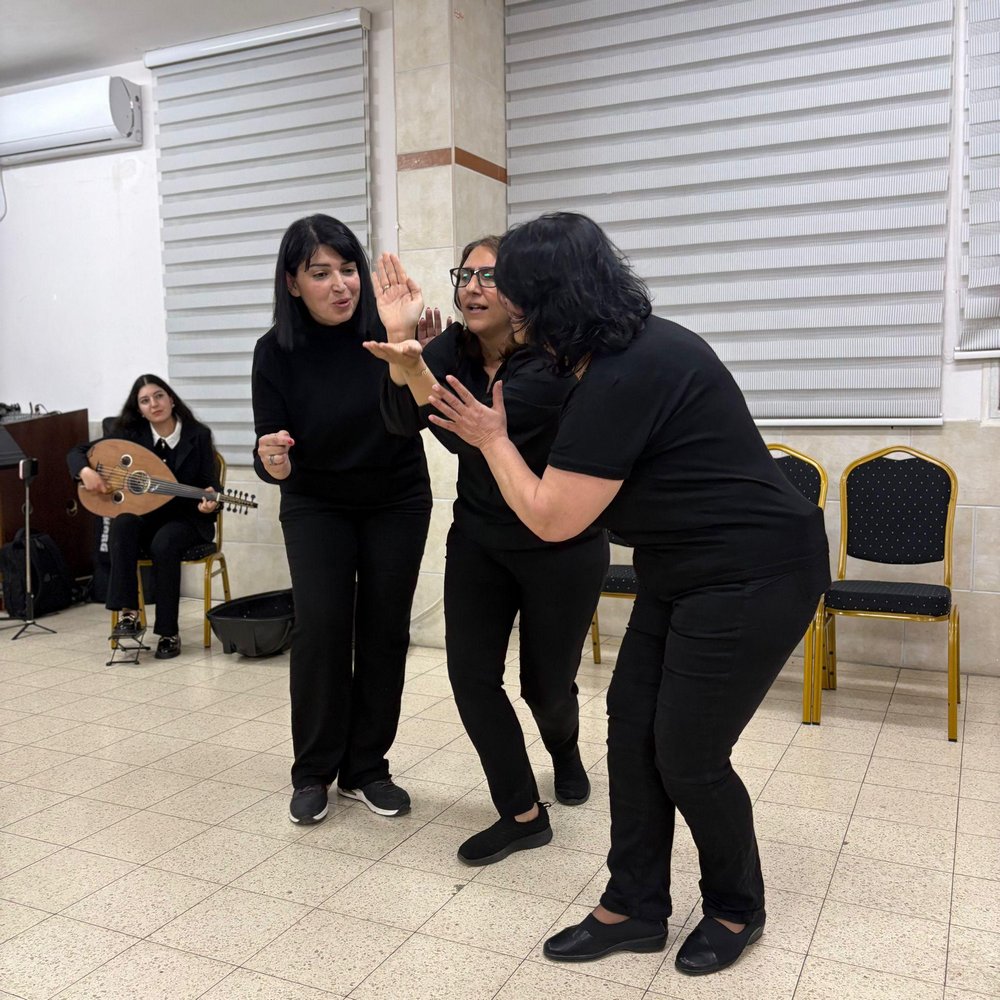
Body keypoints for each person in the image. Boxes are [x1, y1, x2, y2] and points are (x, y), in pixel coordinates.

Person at [423, 212, 830, 974]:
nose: (504, 307)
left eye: (514, 293)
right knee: (632, 727)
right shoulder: (606, 355)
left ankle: (737, 906)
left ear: (549, 300)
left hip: (755, 571)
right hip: (680, 568)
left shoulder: (625, 373)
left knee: (689, 753)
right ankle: (634, 905)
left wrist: (492, 440)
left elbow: (552, 517)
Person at [366, 238, 609, 866]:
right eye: (465, 275)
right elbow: (400, 421)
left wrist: (412, 364)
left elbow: (473, 433)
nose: (472, 287)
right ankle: (522, 813)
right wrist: (402, 343)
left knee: (545, 688)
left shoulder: (553, 362)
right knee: (471, 677)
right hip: (479, 539)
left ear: (524, 291)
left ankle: (565, 750)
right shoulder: (453, 347)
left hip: (560, 545)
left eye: (490, 276)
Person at [251, 214, 431, 826]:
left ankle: (366, 768)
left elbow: (415, 419)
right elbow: (271, 451)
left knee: (384, 630)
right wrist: (272, 458)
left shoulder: (387, 331)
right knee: (322, 628)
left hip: (396, 498)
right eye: (320, 273)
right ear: (293, 282)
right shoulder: (274, 352)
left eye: (348, 269)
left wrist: (407, 346)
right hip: (316, 502)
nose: (340, 285)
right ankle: (313, 771)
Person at [68, 374, 220, 660]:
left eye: (159, 396)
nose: (154, 404)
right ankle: (129, 614)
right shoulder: (131, 435)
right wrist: (85, 471)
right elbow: (78, 452)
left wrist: (210, 503)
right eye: (145, 400)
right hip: (146, 517)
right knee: (123, 523)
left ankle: (168, 633)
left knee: (165, 543)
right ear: (139, 409)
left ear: (171, 399)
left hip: (186, 520)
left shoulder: (197, 434)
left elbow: (211, 485)